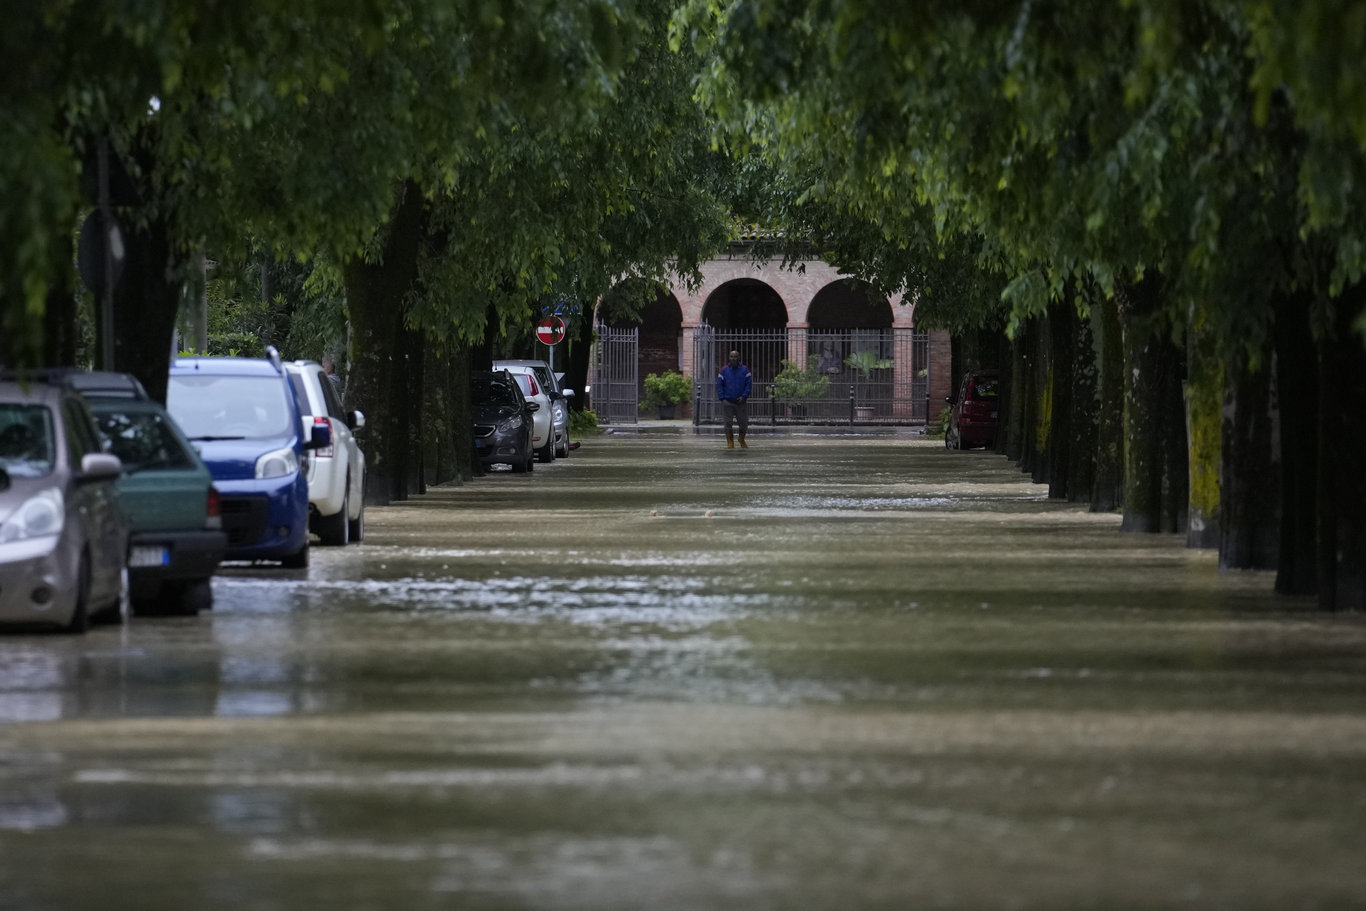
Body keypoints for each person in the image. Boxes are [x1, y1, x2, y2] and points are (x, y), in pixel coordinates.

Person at [716, 349, 752, 449]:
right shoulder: (724, 370)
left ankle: (741, 439)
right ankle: (730, 442)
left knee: (744, 423)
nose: (733, 358)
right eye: (731, 356)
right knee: (728, 423)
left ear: (739, 358)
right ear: (729, 358)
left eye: (735, 356)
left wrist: (744, 396)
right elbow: (719, 385)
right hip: (727, 401)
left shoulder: (745, 370)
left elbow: (748, 385)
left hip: (741, 402)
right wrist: (722, 398)